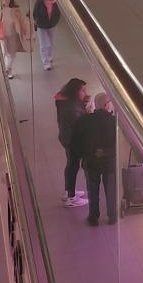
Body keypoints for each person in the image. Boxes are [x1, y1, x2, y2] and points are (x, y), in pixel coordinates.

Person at [71, 91, 117, 227]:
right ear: (106, 105)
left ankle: (93, 217)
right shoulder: (113, 121)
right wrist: (105, 152)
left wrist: (85, 155)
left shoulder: (84, 121)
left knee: (92, 190)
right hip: (109, 162)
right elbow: (117, 144)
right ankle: (112, 216)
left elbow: (76, 143)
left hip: (90, 162)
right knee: (111, 190)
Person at [54, 79, 89, 208]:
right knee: (73, 166)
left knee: (70, 165)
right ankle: (71, 198)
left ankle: (68, 191)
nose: (85, 93)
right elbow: (80, 125)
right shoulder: (72, 109)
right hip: (73, 141)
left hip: (66, 138)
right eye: (82, 90)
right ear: (75, 91)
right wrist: (87, 113)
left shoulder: (64, 101)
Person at [0, 0, 31, 79]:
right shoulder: (0, 10)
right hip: (3, 36)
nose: (6, 1)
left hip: (13, 35)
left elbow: (23, 21)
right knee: (5, 52)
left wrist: (26, 32)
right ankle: (7, 69)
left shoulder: (16, 10)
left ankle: (7, 68)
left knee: (12, 54)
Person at [32, 0, 61, 71]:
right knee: (44, 45)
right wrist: (38, 21)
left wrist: (54, 22)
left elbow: (57, 14)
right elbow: (35, 13)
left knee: (50, 43)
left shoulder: (55, 3)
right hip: (42, 27)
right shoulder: (40, 3)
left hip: (51, 26)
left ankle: (49, 56)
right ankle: (46, 63)